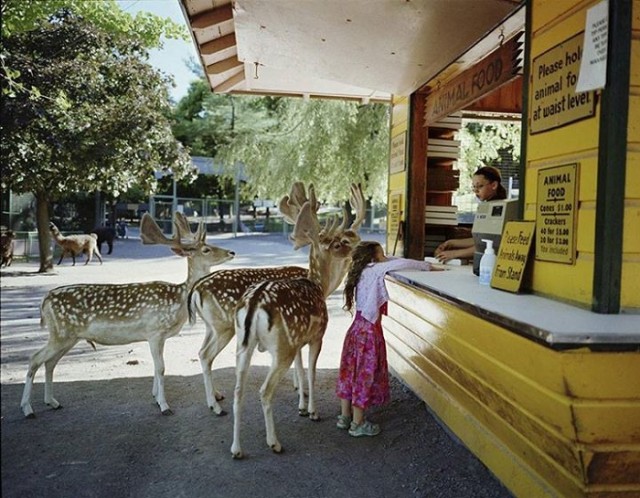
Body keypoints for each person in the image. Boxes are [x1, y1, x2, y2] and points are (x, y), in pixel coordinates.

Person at [336, 241, 442, 437]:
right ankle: (358, 424)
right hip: (369, 332)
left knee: (350, 372)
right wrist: (429, 266)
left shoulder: (363, 269)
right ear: (374, 258)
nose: (385, 257)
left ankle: (345, 417)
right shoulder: (378, 269)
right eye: (382, 254)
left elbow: (392, 260)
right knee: (363, 376)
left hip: (355, 329)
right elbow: (401, 263)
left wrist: (383, 257)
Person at [434, 165, 507, 263]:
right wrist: (452, 243)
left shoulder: (500, 208)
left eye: (480, 186)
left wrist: (454, 254)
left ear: (494, 185)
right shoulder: (486, 206)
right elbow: (481, 240)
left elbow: (491, 244)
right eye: (474, 187)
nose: (476, 191)